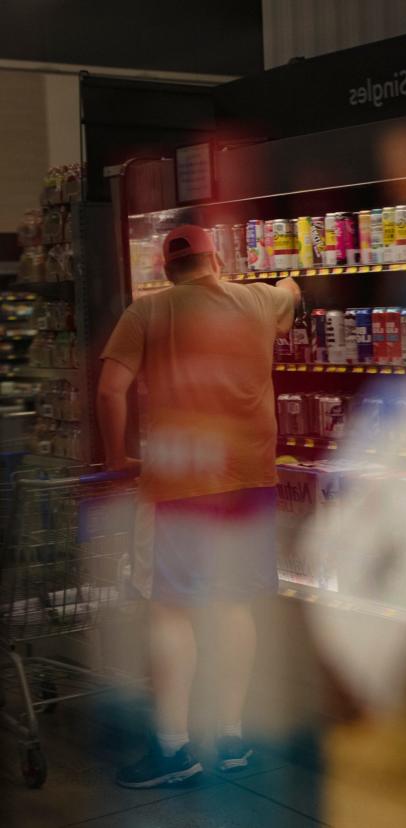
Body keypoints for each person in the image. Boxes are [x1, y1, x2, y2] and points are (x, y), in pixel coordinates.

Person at [97, 224, 300, 788]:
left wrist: (118, 457)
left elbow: (112, 389)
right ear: (215, 260)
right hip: (249, 480)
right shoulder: (258, 300)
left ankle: (172, 750)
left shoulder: (147, 313)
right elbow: (290, 296)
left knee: (170, 609)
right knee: (234, 605)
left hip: (179, 485)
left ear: (167, 268)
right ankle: (233, 740)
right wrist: (285, 286)